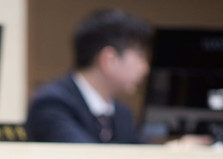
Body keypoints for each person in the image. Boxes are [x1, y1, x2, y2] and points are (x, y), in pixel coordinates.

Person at [25, 9, 152, 144]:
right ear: (109, 60)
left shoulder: (122, 114)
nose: (145, 69)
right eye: (140, 57)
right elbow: (85, 154)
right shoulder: (52, 104)